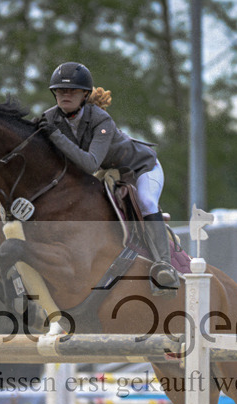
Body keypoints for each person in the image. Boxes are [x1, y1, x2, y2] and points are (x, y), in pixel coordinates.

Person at [36, 61, 179, 296]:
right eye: (60, 91)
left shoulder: (101, 119)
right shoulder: (50, 118)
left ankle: (165, 266)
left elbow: (90, 163)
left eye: (71, 91)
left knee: (146, 202)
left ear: (84, 95)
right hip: (109, 173)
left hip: (141, 168)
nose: (65, 95)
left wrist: (56, 136)